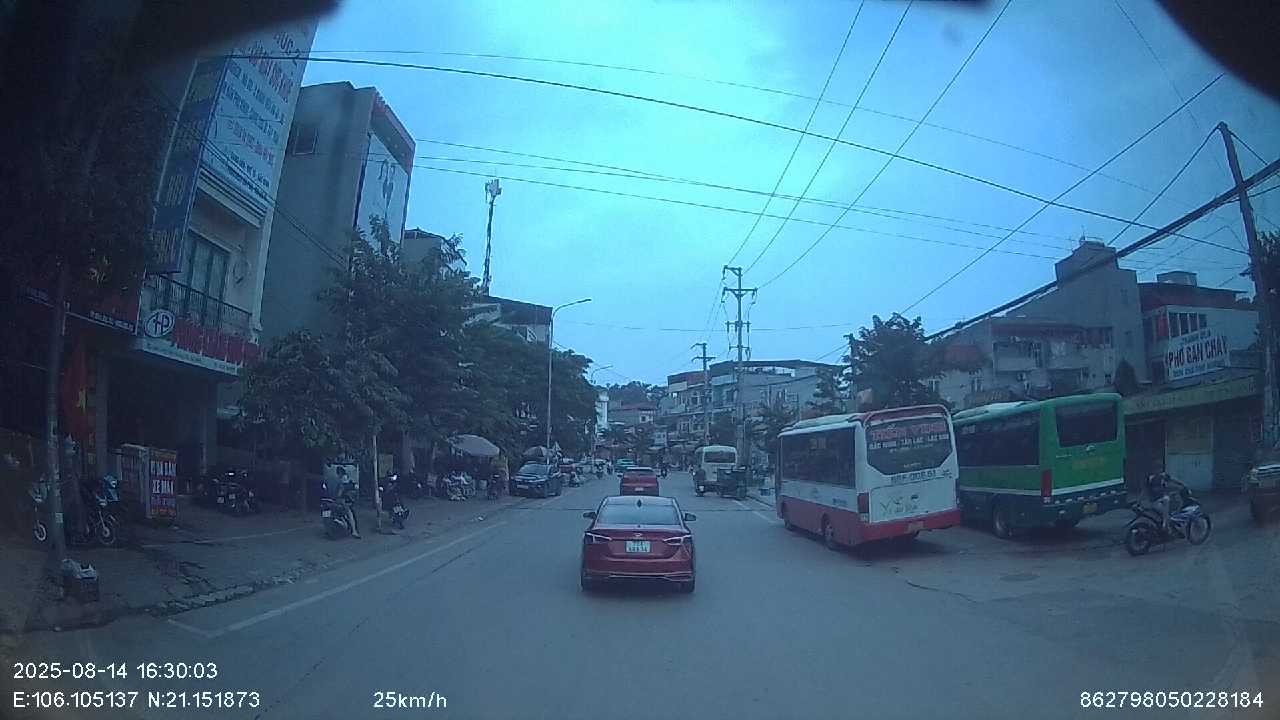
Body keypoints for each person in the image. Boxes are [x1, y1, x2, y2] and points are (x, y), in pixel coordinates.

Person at [1146, 468, 1173, 533]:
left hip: (1161, 499)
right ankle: (1165, 525)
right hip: (1154, 501)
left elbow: (1170, 482)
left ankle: (1167, 524)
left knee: (1167, 500)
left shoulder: (1162, 477)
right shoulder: (1151, 479)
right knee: (1165, 510)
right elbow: (1145, 490)